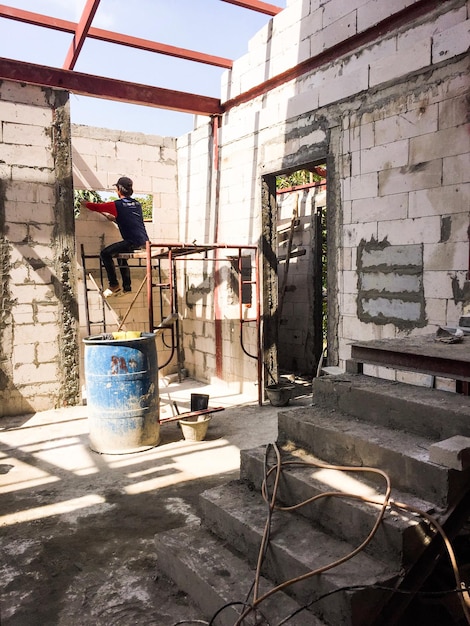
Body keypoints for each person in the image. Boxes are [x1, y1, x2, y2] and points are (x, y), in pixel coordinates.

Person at [81, 176, 149, 297]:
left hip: (131, 240)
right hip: (143, 240)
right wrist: (115, 219)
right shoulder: (137, 204)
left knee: (105, 254)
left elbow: (97, 207)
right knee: (121, 256)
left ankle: (114, 284)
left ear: (118, 189)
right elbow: (131, 220)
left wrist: (85, 203)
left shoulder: (117, 205)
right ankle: (127, 287)